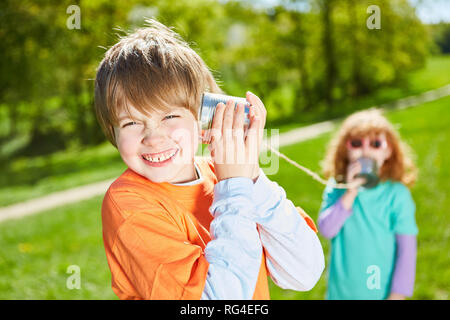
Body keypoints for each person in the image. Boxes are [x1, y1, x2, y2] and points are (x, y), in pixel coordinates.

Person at [94, 19, 324, 300]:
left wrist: (252, 179)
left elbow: (304, 273)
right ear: (112, 131)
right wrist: (235, 188)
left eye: (169, 116)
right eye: (131, 122)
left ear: (203, 119)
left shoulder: (226, 176)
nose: (153, 137)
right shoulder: (128, 203)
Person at [318, 109, 418, 300]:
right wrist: (350, 193)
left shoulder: (396, 194)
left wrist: (397, 295)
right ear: (345, 150)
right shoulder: (337, 187)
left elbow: (407, 251)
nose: (365, 150)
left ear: (388, 151)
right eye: (356, 143)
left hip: (380, 293)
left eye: (375, 144)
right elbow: (327, 229)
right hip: (341, 293)